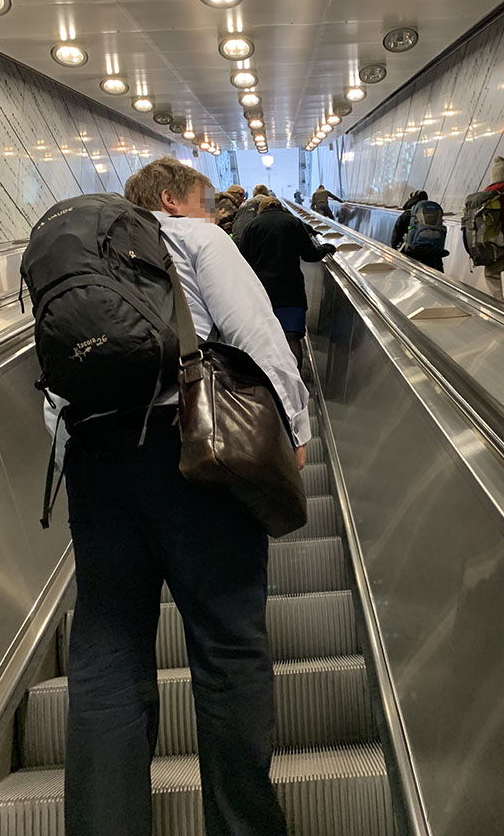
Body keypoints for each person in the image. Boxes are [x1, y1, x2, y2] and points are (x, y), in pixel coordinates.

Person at [58, 157, 308, 836]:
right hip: (196, 454)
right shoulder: (196, 239)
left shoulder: (81, 257)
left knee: (107, 650)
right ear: (173, 198)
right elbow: (258, 336)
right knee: (227, 647)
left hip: (96, 462)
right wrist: (295, 428)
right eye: (203, 200)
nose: (213, 211)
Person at [239, 196, 335, 368]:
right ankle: (295, 382)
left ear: (261, 209)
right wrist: (326, 248)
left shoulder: (251, 227)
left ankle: (270, 380)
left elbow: (242, 261)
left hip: (261, 292)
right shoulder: (293, 223)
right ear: (281, 207)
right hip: (290, 291)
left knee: (265, 339)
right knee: (291, 337)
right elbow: (309, 255)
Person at [391, 190, 448, 272]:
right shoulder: (434, 213)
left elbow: (395, 237)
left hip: (412, 254)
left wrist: (396, 249)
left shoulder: (407, 214)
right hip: (433, 255)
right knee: (436, 279)